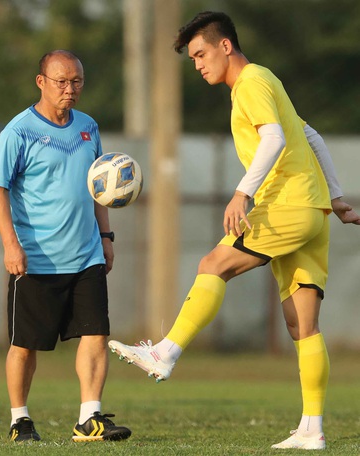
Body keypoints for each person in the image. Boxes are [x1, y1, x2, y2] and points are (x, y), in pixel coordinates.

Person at [108, 11, 360, 451]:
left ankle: (165, 352)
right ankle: (311, 428)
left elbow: (276, 138)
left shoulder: (251, 83)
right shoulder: (266, 80)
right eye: (192, 59)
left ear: (226, 46)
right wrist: (335, 197)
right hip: (313, 209)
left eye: (202, 54)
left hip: (288, 203)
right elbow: (310, 134)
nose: (199, 64)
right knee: (303, 326)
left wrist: (243, 192)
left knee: (213, 263)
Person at [0, 50, 132, 443]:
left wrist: (106, 238)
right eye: (61, 82)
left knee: (96, 334)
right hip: (35, 258)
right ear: (41, 82)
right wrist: (10, 245)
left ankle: (90, 418)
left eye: (77, 82)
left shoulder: (88, 127)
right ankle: (20, 420)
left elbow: (99, 187)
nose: (70, 89)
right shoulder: (18, 131)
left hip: (85, 254)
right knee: (24, 345)